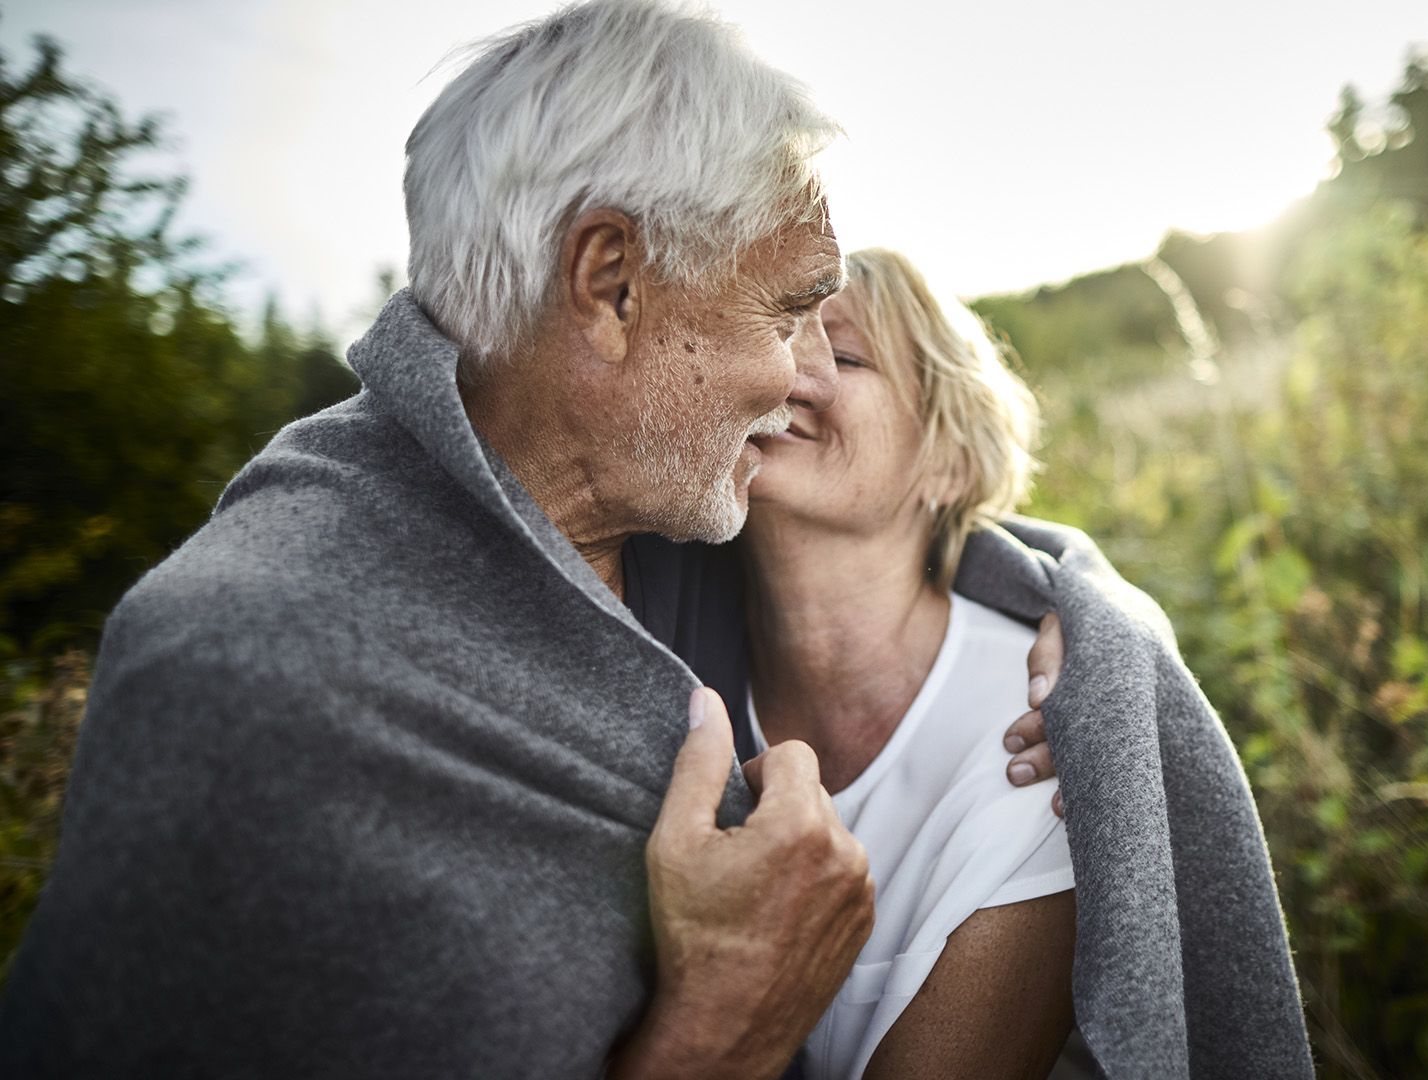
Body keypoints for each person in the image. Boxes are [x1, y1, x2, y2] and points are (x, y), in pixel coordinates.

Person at [0, 3, 1064, 1077]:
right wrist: (726, 1028)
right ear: (610, 284)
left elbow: (934, 527)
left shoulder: (658, 521)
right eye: (786, 313)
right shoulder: (246, 676)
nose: (799, 378)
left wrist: (1092, 624)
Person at [732, 249, 1074, 1080]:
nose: (790, 374)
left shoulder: (1036, 736)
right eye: (772, 338)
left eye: (843, 356)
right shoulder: (662, 660)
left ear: (949, 461)